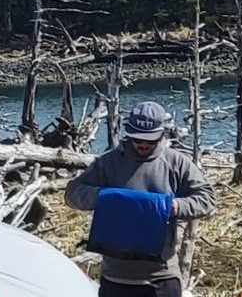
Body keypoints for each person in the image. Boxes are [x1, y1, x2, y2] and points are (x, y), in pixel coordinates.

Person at [64, 101, 215, 297]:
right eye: (137, 139)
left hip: (161, 278)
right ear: (128, 133)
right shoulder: (109, 163)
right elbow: (72, 194)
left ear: (162, 134)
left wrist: (176, 206)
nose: (143, 144)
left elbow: (207, 198)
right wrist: (106, 198)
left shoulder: (176, 163)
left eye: (151, 140)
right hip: (115, 278)